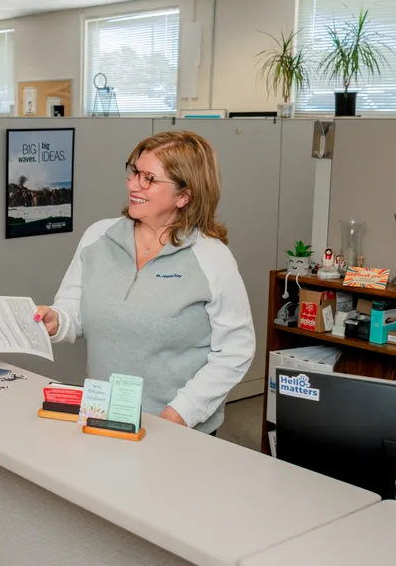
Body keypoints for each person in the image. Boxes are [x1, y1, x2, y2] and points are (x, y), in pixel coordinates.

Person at [34, 131, 255, 435]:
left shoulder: (211, 258)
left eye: (149, 178)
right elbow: (75, 313)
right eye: (134, 172)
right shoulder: (98, 237)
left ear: (184, 195)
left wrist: (179, 414)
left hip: (177, 428)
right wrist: (56, 321)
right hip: (103, 418)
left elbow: (235, 349)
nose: (133, 184)